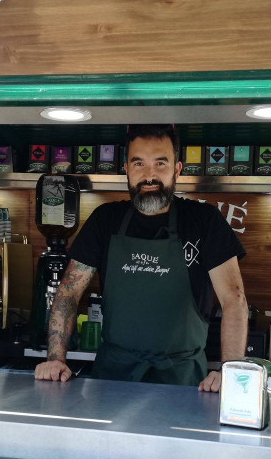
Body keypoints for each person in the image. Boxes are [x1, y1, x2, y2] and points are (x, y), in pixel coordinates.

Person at [34, 124, 247, 391]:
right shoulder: (105, 220)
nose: (150, 175)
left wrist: (232, 369)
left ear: (177, 169)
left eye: (160, 163)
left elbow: (234, 298)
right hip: (113, 380)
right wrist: (55, 359)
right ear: (126, 168)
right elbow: (68, 292)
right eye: (139, 164)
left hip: (182, 383)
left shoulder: (204, 221)